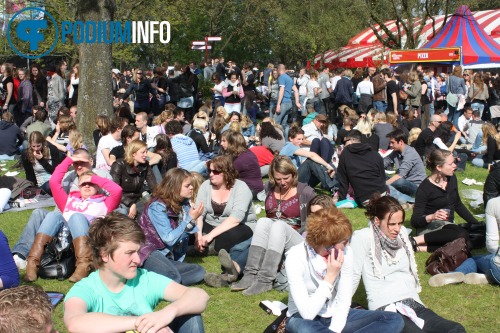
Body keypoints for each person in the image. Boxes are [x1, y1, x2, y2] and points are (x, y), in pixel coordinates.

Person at [64, 212, 208, 333]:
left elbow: (200, 296)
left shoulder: (144, 279)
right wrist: (142, 323)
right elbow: (75, 323)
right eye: (129, 253)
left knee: (191, 315)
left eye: (138, 252)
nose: (138, 260)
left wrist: (167, 313)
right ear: (104, 254)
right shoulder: (86, 289)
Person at [351, 195, 466, 332]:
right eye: (392, 224)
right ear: (377, 220)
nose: (397, 229)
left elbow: (407, 272)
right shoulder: (363, 237)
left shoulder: (403, 234)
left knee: (455, 329)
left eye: (400, 223)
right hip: (386, 308)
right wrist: (340, 308)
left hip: (412, 303)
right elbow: (352, 275)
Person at [285, 207, 405, 333]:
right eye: (345, 241)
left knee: (394, 320)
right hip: (302, 318)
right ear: (327, 243)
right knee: (306, 329)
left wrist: (335, 329)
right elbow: (307, 313)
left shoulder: (346, 253)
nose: (348, 245)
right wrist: (330, 278)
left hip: (334, 314)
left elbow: (344, 300)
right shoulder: (296, 257)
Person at [25, 154, 122, 282]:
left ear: (98, 186)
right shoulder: (69, 200)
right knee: (53, 215)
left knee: (76, 217)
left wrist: (94, 178)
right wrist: (69, 160)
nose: (87, 186)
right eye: (83, 184)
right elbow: (54, 181)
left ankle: (84, 265)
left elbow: (117, 190)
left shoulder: (105, 202)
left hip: (89, 242)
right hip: (64, 241)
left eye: (90, 184)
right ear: (79, 187)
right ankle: (33, 262)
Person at [230, 156, 316, 295]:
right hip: (273, 236)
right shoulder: (269, 187)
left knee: (279, 226)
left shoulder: (306, 192)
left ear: (293, 174)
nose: (282, 182)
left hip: (298, 238)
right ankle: (250, 275)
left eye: (286, 178)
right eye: (278, 179)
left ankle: (265, 280)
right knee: (263, 222)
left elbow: (317, 221)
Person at [195, 156, 255, 287]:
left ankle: (206, 247)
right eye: (209, 171)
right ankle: (203, 245)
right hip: (210, 224)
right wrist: (198, 234)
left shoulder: (241, 187)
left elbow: (236, 218)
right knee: (189, 229)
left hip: (239, 226)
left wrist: (209, 236)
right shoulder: (206, 186)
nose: (211, 174)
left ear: (227, 172)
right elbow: (199, 213)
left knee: (231, 236)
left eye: (215, 172)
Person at [139, 168, 206, 286]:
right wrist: (190, 219)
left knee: (199, 271)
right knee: (174, 277)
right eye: (187, 185)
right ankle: (146, 279)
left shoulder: (184, 204)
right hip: (152, 252)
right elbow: (169, 238)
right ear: (175, 186)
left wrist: (197, 233)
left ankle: (164, 279)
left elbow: (188, 230)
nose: (191, 188)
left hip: (170, 257)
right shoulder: (157, 206)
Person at [410, 149, 477, 252]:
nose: (455, 165)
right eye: (451, 164)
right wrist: (432, 216)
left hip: (448, 227)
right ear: (439, 167)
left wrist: (476, 224)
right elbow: (415, 221)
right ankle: (415, 240)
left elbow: (458, 204)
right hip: (430, 228)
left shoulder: (452, 178)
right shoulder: (425, 188)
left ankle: (420, 248)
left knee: (473, 242)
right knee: (461, 235)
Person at [336, 129, 387, 205]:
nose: (344, 144)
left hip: (365, 198)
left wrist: (341, 199)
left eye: (345, 142)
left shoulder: (345, 153)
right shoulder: (374, 154)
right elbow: (383, 177)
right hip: (383, 193)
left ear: (352, 140)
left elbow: (343, 180)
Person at [111, 140, 157, 219]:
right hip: (121, 201)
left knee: (155, 208)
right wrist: (131, 204)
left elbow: (154, 187)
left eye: (146, 152)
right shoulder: (119, 165)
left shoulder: (145, 165)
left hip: (138, 200)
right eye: (143, 152)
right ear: (133, 153)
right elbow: (114, 191)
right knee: (124, 212)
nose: (146, 155)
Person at [279, 126, 336, 191]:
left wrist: (323, 168)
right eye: (299, 139)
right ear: (291, 139)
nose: (301, 141)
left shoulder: (296, 149)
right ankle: (332, 187)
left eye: (302, 139)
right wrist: (328, 166)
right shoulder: (289, 146)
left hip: (296, 179)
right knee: (310, 161)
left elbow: (303, 165)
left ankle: (331, 184)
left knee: (316, 165)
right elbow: (311, 155)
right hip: (289, 181)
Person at [220, 130, 264, 198]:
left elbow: (225, 176)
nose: (221, 143)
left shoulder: (241, 159)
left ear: (232, 143)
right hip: (249, 187)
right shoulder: (243, 153)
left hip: (251, 190)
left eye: (224, 141)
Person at [384, 129, 426, 198]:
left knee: (399, 182)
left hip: (416, 186)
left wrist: (383, 185)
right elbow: (384, 162)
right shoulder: (395, 152)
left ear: (401, 142)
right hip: (404, 181)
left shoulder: (410, 153)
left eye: (392, 142)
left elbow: (400, 175)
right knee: (379, 174)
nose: (390, 145)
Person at [21, 131, 65, 195]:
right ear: (30, 145)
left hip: (56, 179)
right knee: (49, 185)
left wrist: (42, 160)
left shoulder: (52, 149)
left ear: (43, 143)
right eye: (33, 146)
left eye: (38, 146)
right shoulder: (26, 154)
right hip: (43, 184)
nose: (36, 149)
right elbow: (29, 175)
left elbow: (56, 171)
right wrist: (31, 189)